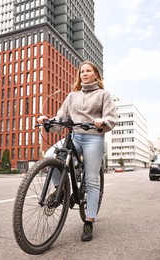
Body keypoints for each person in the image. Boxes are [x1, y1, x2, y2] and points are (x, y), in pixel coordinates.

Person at [37, 60, 117, 242]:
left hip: (93, 138)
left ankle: (89, 220)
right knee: (51, 156)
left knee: (91, 179)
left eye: (88, 71)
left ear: (95, 74)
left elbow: (110, 118)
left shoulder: (104, 95)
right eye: (82, 72)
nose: (84, 74)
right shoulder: (72, 96)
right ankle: (61, 190)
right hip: (74, 136)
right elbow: (61, 117)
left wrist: (102, 121)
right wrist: (47, 121)